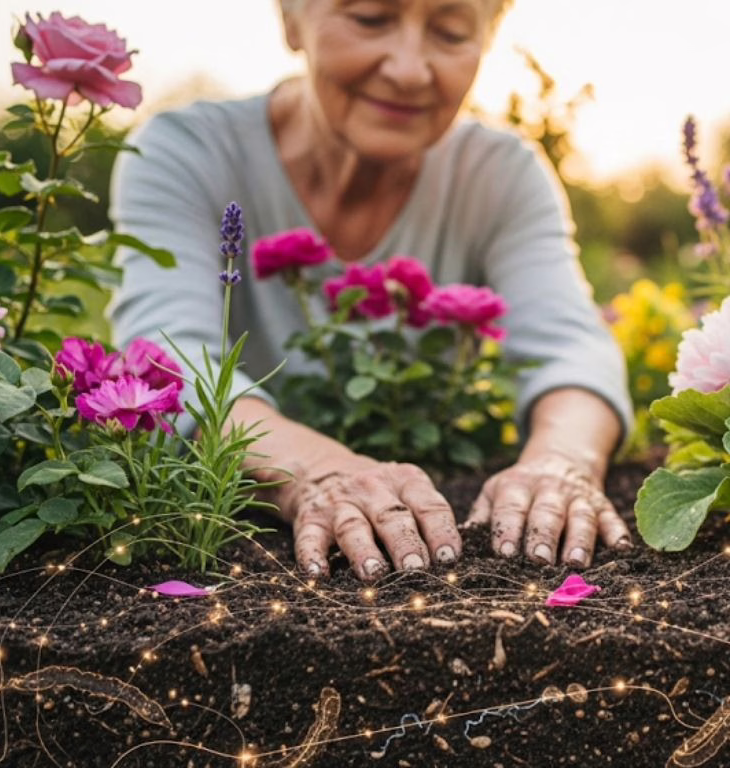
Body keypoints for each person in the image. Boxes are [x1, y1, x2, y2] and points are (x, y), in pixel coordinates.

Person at [108, 0, 633, 580]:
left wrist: (559, 464)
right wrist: (316, 470)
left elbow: (570, 347)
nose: (410, 69)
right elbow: (169, 363)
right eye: (369, 18)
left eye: (451, 31)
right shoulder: (187, 153)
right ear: (290, 18)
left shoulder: (500, 174)